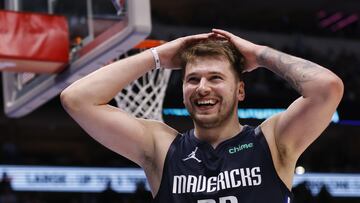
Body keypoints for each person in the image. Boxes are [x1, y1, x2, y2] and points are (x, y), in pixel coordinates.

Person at [60, 29, 343, 202]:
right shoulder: (161, 148)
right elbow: (77, 99)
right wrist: (157, 57)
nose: (203, 88)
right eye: (192, 79)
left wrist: (259, 54)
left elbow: (326, 88)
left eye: (216, 77)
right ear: (183, 90)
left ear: (240, 90)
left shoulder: (272, 141)